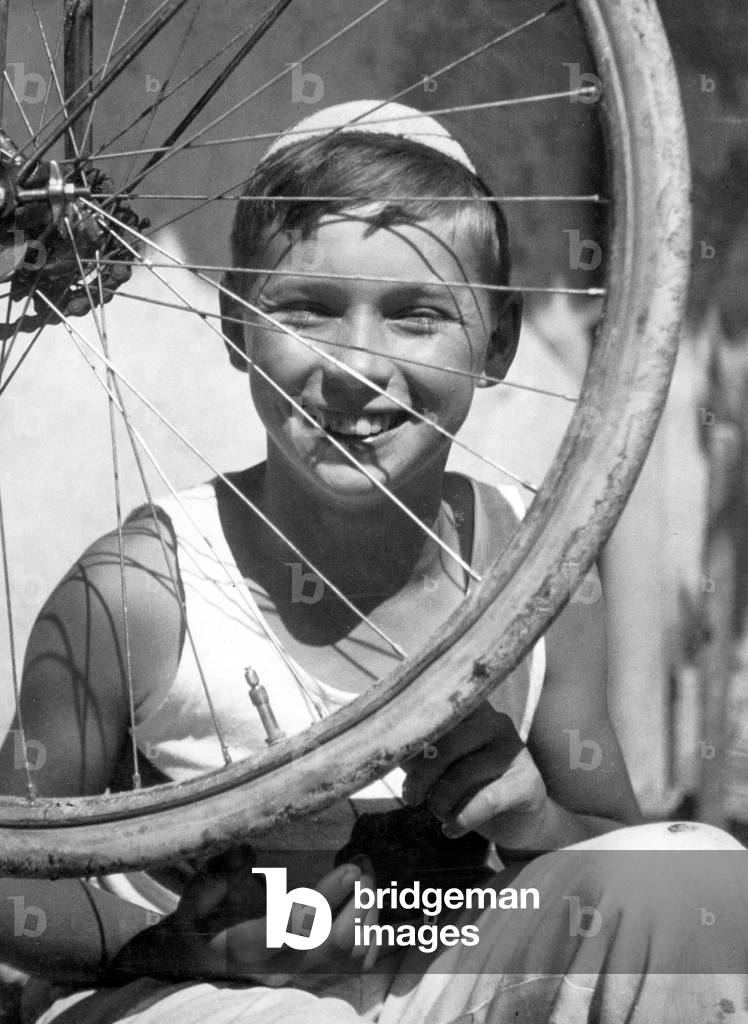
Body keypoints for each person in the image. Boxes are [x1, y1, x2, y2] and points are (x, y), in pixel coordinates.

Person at [0, 101, 746, 1024]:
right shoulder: (140, 589)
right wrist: (186, 943)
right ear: (235, 327)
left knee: (694, 877)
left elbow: (614, 850)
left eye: (416, 317)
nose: (355, 365)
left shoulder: (533, 572)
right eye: (307, 310)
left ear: (499, 342)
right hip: (196, 993)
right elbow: (10, 882)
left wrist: (532, 823)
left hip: (440, 977)